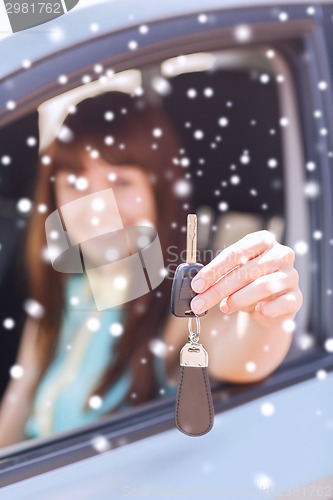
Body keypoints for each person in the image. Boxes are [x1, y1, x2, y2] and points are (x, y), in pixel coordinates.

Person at [0, 90, 303, 447]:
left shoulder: (183, 301)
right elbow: (18, 403)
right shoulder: (66, 285)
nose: (96, 207)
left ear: (159, 191)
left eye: (121, 182)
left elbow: (242, 356)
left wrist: (267, 316)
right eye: (74, 182)